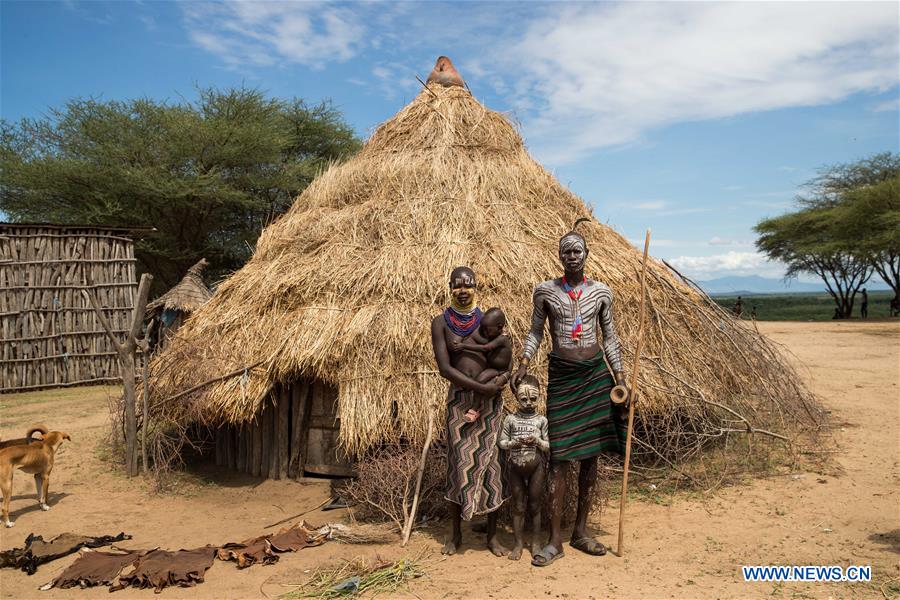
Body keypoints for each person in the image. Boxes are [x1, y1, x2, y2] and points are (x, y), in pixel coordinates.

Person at [513, 224, 628, 566]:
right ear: (559, 256)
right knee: (560, 458)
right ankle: (554, 540)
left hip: (595, 376)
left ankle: (581, 531)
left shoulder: (602, 292)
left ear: (586, 255)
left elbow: (610, 337)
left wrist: (620, 377)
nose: (572, 256)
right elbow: (535, 331)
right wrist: (523, 361)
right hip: (563, 376)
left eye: (577, 251)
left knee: (591, 459)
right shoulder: (545, 292)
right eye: (567, 251)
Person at [430, 266, 509, 557]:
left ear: (476, 287)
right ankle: (455, 535)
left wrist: (493, 385)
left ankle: (491, 536)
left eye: (468, 285)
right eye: (457, 285)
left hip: (487, 400)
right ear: (450, 287)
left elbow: (502, 359)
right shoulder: (441, 322)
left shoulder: (488, 321)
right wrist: (479, 387)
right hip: (460, 400)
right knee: (457, 464)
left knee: (492, 465)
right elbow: (444, 367)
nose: (463, 290)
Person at [498, 375, 550, 561]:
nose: (528, 403)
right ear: (517, 398)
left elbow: (548, 446)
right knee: (519, 507)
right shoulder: (510, 420)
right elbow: (501, 442)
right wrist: (513, 442)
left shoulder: (542, 420)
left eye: (533, 399)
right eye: (524, 399)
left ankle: (536, 544)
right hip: (515, 468)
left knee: (535, 505)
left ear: (540, 396)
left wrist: (536, 440)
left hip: (536, 467)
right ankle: (518, 544)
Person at [451, 307, 513, 422]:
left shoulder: (502, 339)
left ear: (499, 327)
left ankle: (475, 409)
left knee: (488, 386)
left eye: (487, 330)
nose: (485, 333)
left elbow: (486, 348)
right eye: (483, 329)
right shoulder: (495, 336)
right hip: (492, 369)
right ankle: (475, 408)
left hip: (501, 371)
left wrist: (463, 346)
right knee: (480, 380)